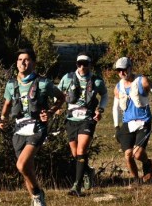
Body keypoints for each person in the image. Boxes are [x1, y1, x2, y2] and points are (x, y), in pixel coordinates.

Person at [0, 49, 64, 206]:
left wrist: (50, 112)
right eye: (20, 59)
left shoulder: (43, 83)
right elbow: (7, 105)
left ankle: (37, 194)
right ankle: (36, 198)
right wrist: (1, 120)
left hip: (37, 128)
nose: (22, 62)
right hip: (19, 130)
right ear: (16, 62)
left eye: (26, 60)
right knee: (27, 169)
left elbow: (61, 98)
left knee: (21, 165)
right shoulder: (11, 84)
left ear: (33, 63)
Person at [58, 53, 108, 197]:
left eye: (85, 64)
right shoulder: (67, 78)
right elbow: (58, 93)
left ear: (90, 65)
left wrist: (100, 109)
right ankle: (88, 171)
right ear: (76, 64)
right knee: (75, 153)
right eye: (79, 64)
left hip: (88, 118)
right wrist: (57, 106)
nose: (82, 67)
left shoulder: (96, 80)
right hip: (71, 118)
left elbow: (104, 95)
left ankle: (77, 185)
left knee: (81, 149)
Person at [112, 57, 152, 187]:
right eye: (119, 71)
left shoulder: (142, 81)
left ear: (130, 68)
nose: (122, 73)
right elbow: (116, 107)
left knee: (138, 153)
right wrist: (116, 127)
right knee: (128, 155)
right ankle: (136, 180)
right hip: (128, 123)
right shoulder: (118, 87)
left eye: (124, 70)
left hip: (143, 121)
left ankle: (147, 163)